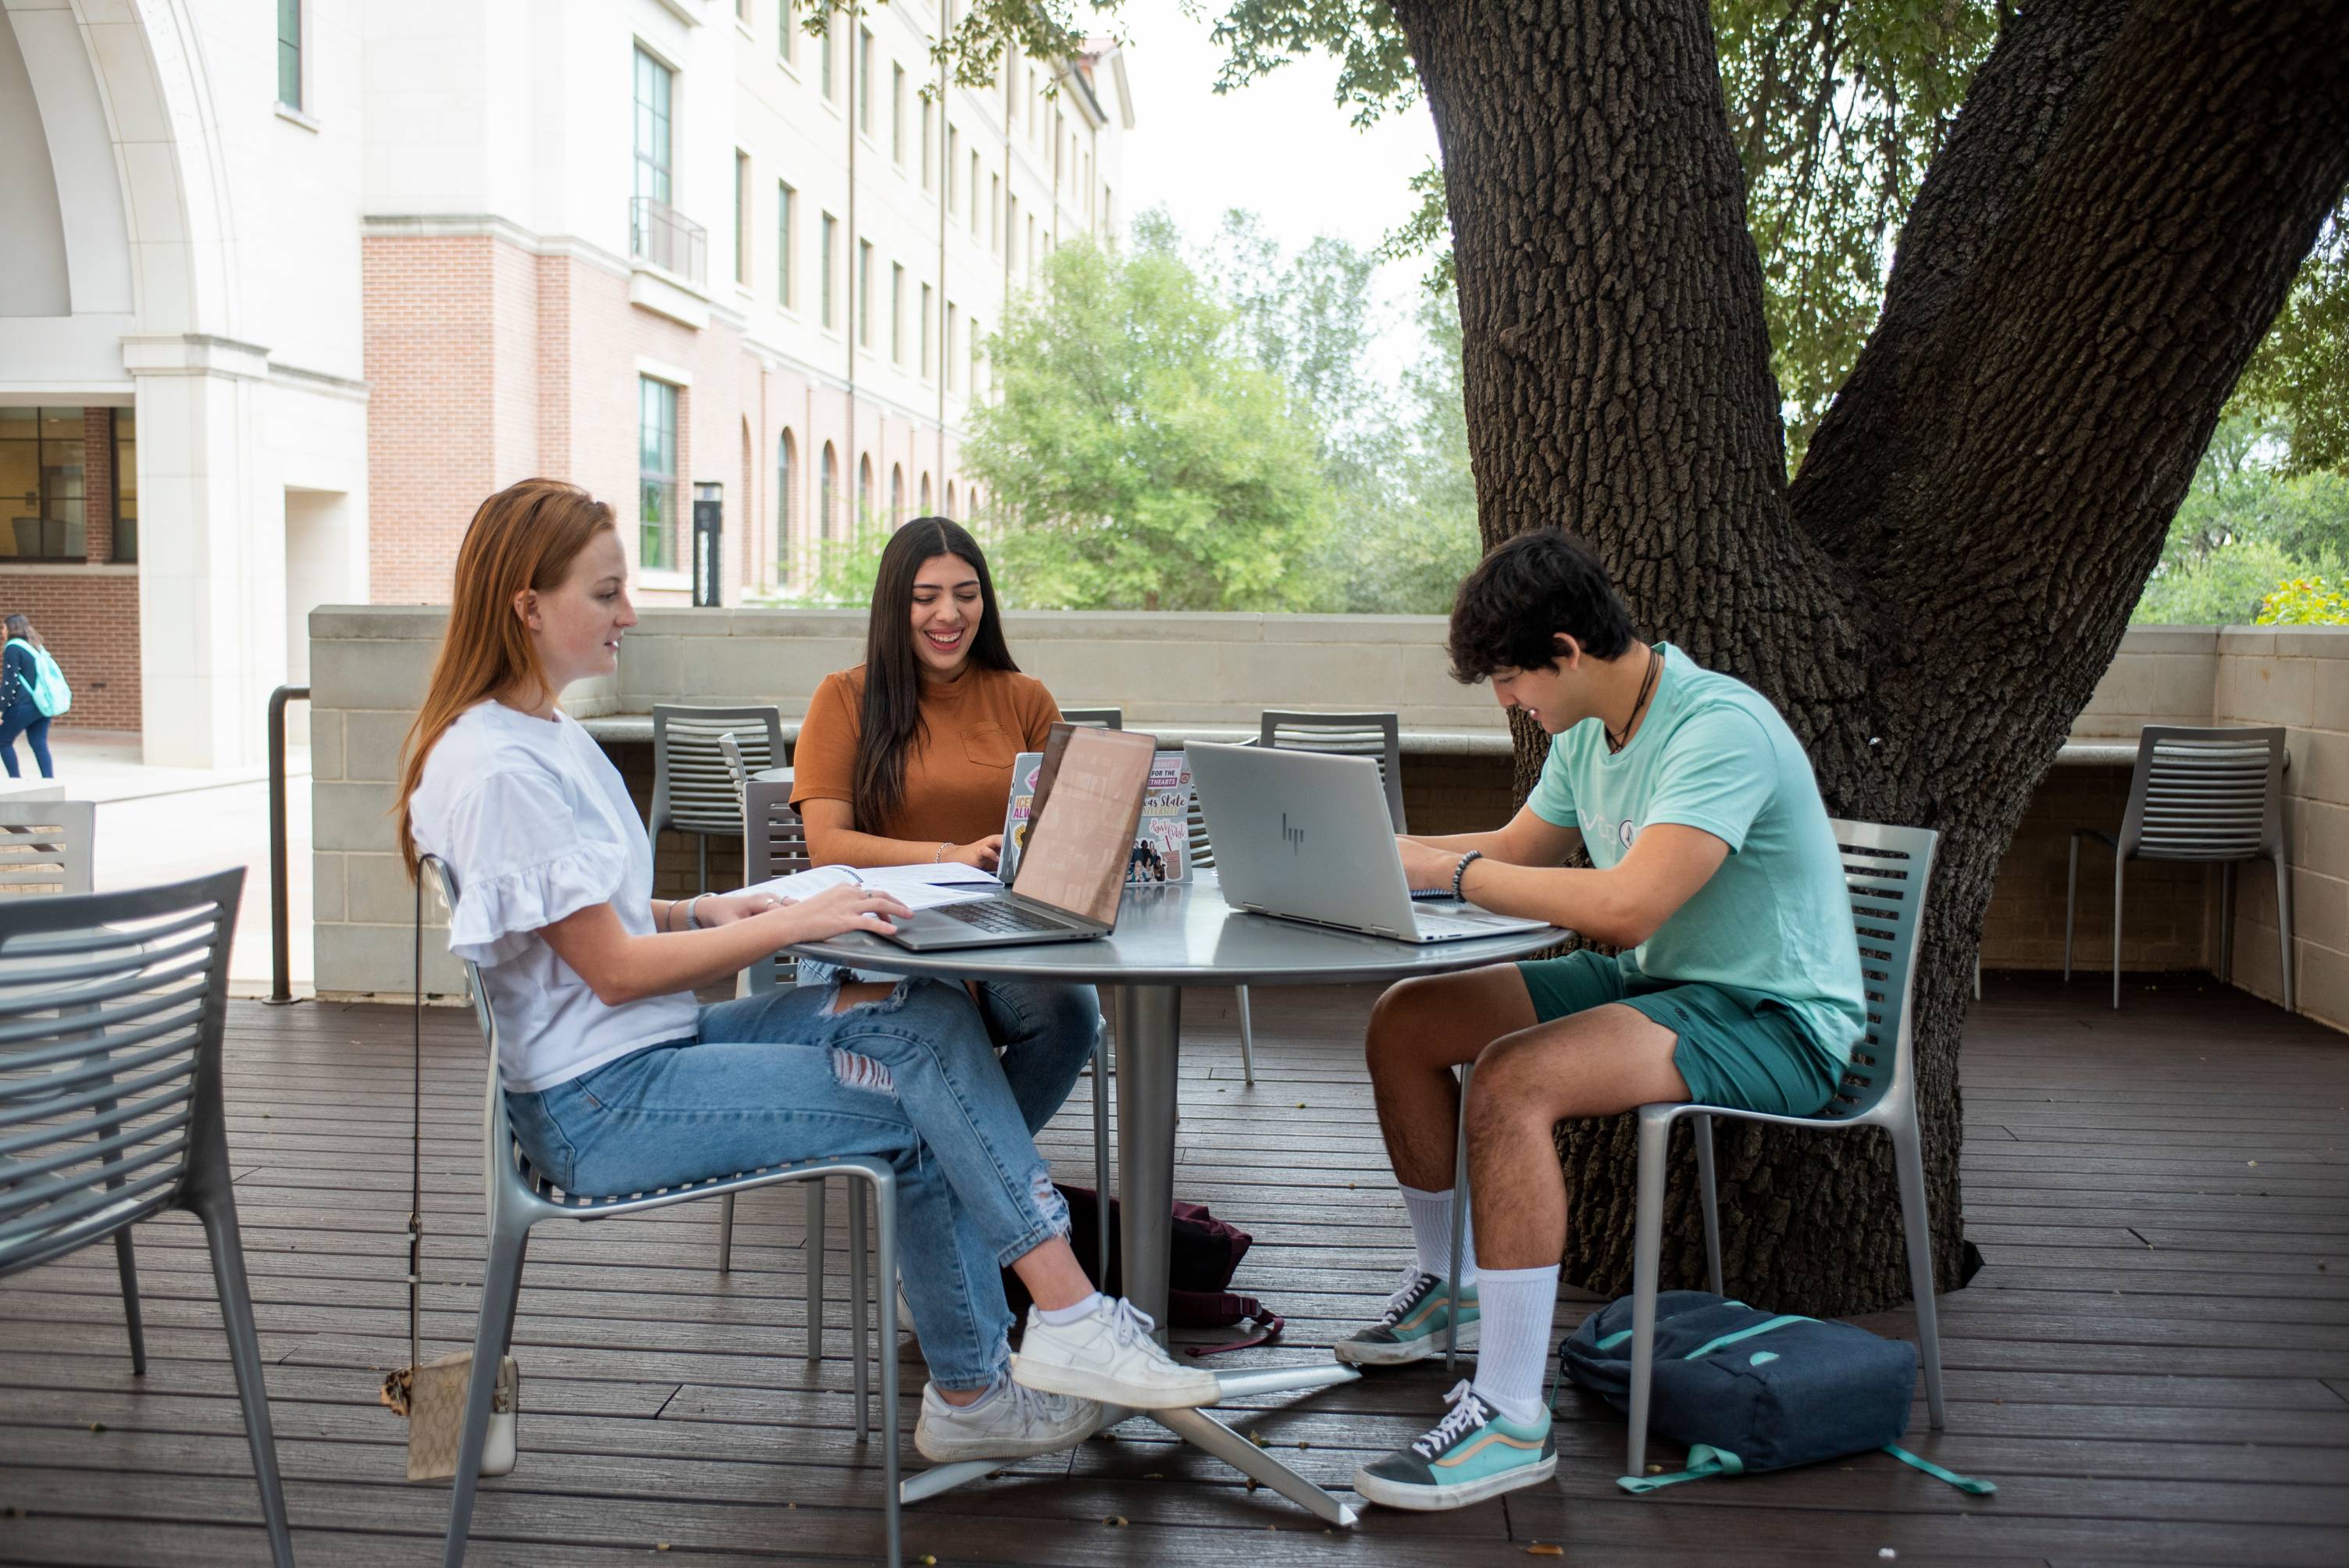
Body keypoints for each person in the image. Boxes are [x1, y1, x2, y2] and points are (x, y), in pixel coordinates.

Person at [397, 480, 1220, 1468]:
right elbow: (611, 972)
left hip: (648, 1046)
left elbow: (588, 926)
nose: (630, 612)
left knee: (922, 1024)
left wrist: (702, 909)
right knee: (925, 1103)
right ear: (527, 607)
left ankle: (1043, 1331)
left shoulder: (546, 736)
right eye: (607, 593)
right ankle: (1000, 1367)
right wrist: (805, 913)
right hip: (599, 1100)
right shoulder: (497, 768)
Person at [1342, 529, 1866, 1511]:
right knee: (1405, 1022)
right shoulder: (1586, 732)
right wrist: (1377, 851)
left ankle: (1507, 1415)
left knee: (1510, 1080)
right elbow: (1516, 847)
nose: (1506, 701)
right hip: (1657, 985)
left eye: (1508, 677)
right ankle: (1447, 1282)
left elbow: (1627, 906)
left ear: (1566, 652)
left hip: (1772, 1017)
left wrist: (1444, 872)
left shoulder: (1719, 727)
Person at [790, 516, 1100, 1139]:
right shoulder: (844, 698)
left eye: (966, 593)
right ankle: (982, 1186)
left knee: (1073, 1013)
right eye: (926, 597)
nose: (949, 614)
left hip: (996, 932)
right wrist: (949, 855)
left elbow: (1066, 832)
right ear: (893, 604)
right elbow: (827, 843)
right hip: (868, 927)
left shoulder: (1025, 698)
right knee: (935, 1013)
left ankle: (953, 1177)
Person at [1, 614, 57, 779]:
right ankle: (49, 782)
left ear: (12, 628)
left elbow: (10, 682)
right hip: (43, 705)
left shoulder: (13, 647)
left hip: (23, 705)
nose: (2, 631)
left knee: (3, 741)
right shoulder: (35, 646)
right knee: (39, 743)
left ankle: (16, 781)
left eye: (3, 627)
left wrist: (1, 709)